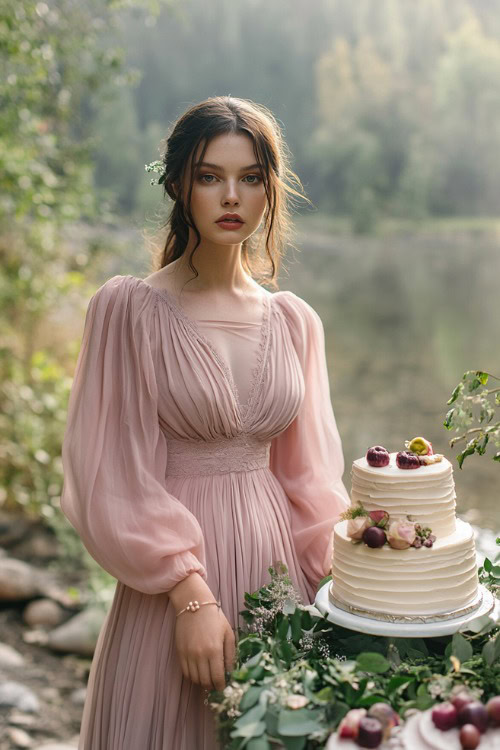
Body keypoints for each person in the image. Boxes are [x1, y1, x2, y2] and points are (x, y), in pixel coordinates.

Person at [60, 95, 350, 750]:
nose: (232, 196)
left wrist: (347, 590)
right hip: (173, 595)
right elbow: (110, 477)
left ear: (270, 190)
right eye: (209, 176)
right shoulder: (127, 311)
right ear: (176, 186)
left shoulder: (294, 321)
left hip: (278, 584)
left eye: (250, 177)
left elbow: (311, 486)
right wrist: (190, 597)